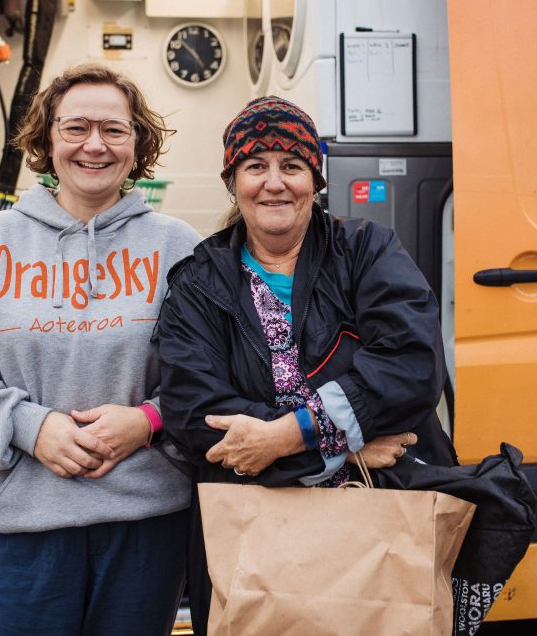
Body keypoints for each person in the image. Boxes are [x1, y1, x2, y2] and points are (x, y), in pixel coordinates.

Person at [0, 63, 200, 636]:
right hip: (21, 528)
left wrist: (148, 421)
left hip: (146, 526)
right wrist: (27, 427)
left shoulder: (180, 248)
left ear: (138, 142)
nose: (95, 145)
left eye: (114, 130)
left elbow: (217, 374)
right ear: (46, 139)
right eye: (76, 128)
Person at [155, 95, 457, 634]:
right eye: (256, 166)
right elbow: (192, 411)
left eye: (292, 166)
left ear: (314, 180)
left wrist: (288, 434)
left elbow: (412, 366)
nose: (275, 182)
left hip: (381, 522)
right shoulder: (197, 283)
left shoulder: (366, 250)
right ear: (232, 181)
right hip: (252, 540)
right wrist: (342, 443)